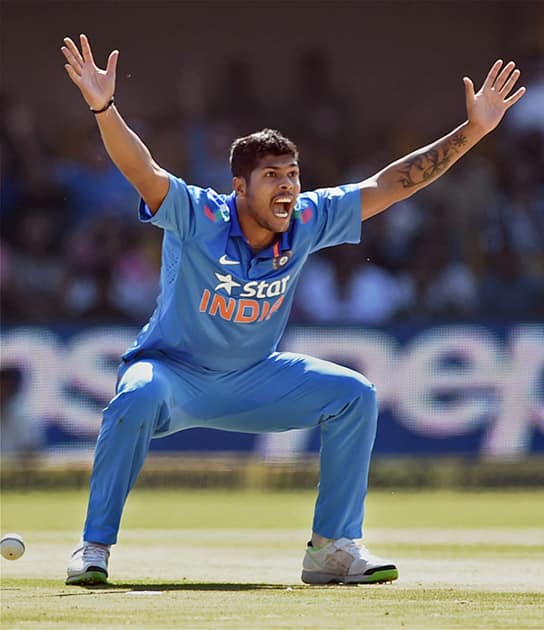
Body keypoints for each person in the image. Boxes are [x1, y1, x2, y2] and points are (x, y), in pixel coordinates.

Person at [60, 33, 525, 586]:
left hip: (255, 378)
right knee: (133, 396)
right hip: (172, 375)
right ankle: (93, 548)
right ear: (240, 187)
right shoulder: (197, 214)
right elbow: (142, 169)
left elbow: (392, 184)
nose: (288, 187)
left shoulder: (307, 218)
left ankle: (332, 548)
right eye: (272, 176)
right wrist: (103, 107)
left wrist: (473, 131)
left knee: (354, 396)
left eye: (293, 174)